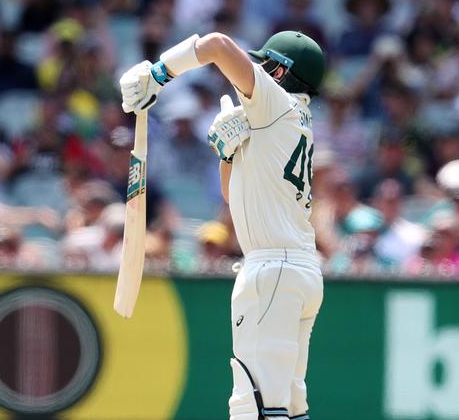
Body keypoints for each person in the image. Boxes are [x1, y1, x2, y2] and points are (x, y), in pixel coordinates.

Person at [119, 30, 325, 420]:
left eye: (265, 64)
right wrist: (227, 153)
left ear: (280, 72)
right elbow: (232, 196)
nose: (256, 69)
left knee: (255, 407)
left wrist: (158, 73)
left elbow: (215, 45)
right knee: (290, 406)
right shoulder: (291, 119)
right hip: (299, 270)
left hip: (272, 270)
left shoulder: (273, 102)